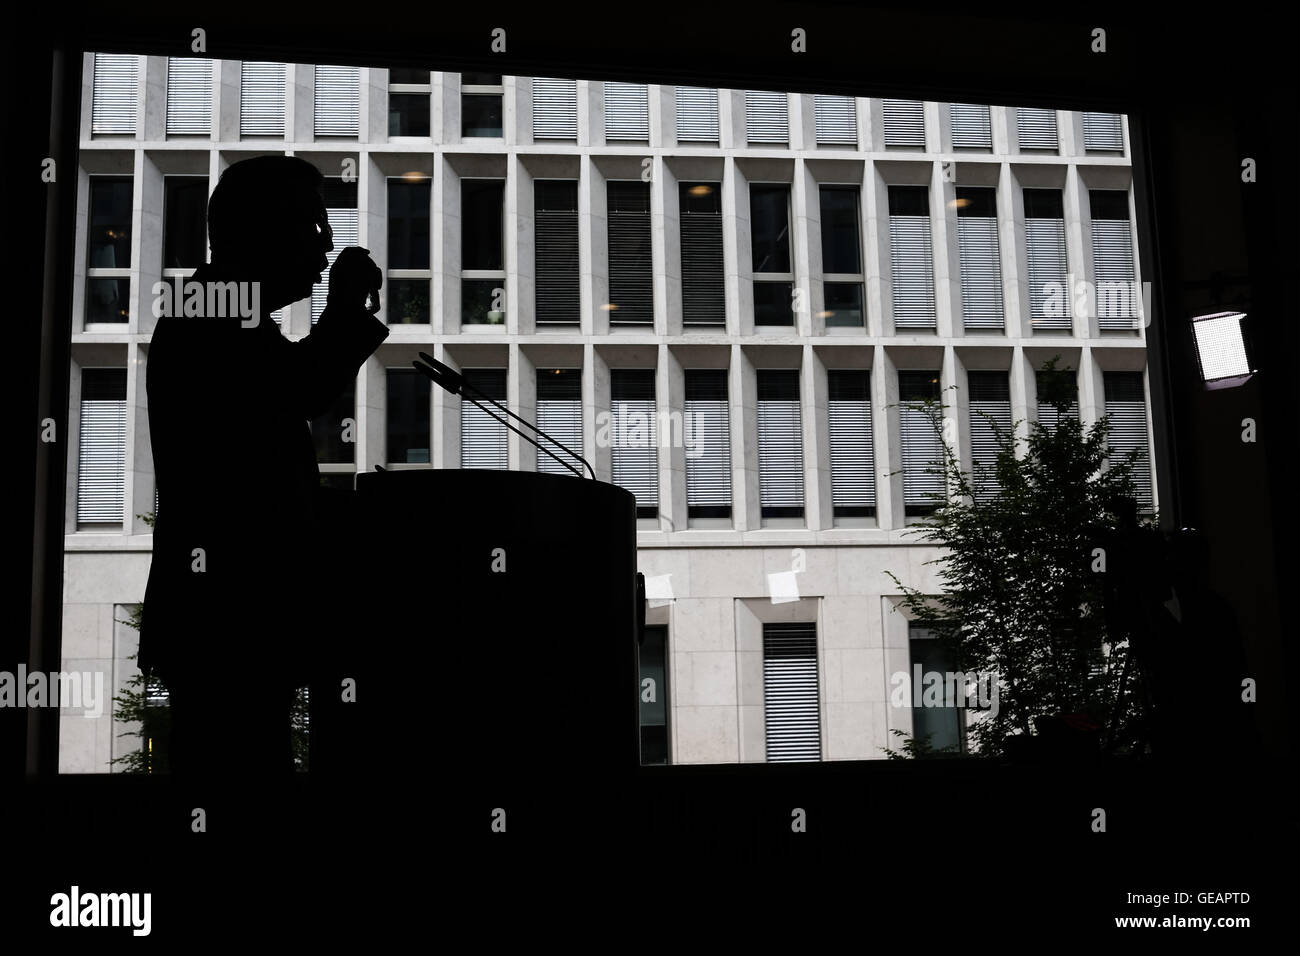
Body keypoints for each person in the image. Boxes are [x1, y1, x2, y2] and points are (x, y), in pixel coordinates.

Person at [140, 156, 388, 780]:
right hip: (230, 617)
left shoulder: (217, 311)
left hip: (229, 616)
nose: (324, 247)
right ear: (261, 231)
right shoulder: (209, 311)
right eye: (311, 227)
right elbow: (298, 389)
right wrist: (345, 307)